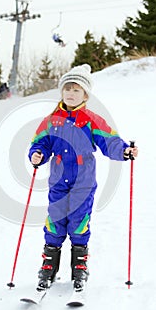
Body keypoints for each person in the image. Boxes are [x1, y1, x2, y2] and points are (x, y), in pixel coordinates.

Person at [28, 64, 138, 292]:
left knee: (79, 222)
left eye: (76, 89)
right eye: (67, 88)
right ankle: (49, 265)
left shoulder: (91, 119)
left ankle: (79, 265)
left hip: (83, 182)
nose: (70, 93)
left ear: (85, 94)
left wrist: (124, 151)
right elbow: (40, 143)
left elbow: (110, 142)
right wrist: (37, 155)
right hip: (58, 181)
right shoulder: (51, 120)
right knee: (55, 221)